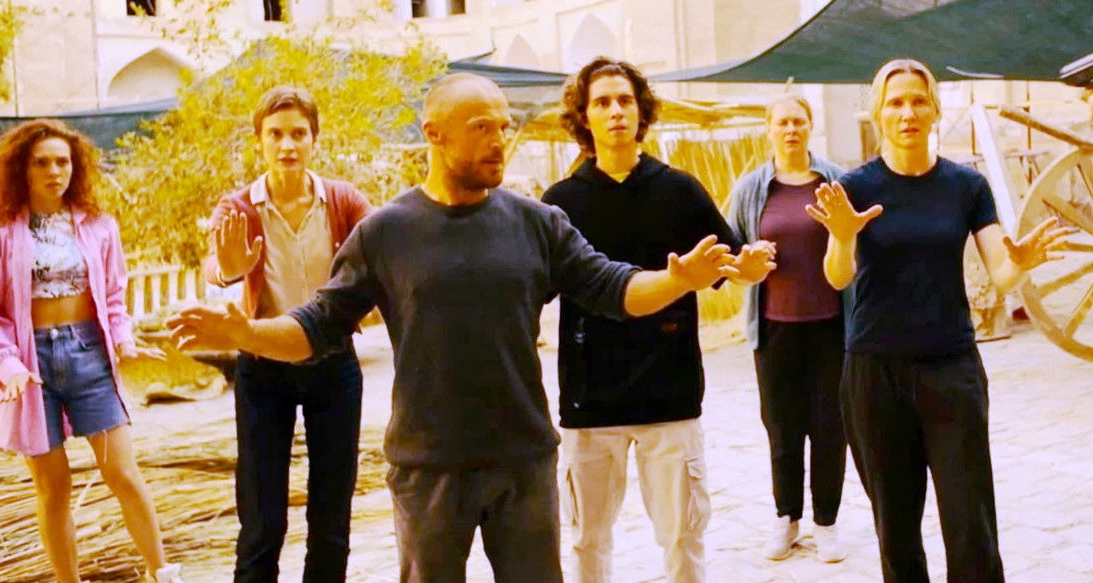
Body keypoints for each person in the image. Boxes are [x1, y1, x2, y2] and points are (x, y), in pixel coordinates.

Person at [168, 73, 775, 583]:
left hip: (524, 463)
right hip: (428, 469)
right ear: (434, 134)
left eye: (504, 126)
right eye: (483, 126)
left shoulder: (538, 223)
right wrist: (247, 334)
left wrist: (676, 281)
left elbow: (614, 288)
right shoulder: (386, 232)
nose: (499, 140)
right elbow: (316, 326)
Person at [808, 59, 1070, 583]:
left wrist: (1020, 262)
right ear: (878, 114)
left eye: (918, 101)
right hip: (875, 374)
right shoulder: (854, 187)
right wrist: (841, 235)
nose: (907, 112)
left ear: (934, 110)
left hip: (952, 370)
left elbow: (1001, 273)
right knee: (896, 529)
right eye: (895, 102)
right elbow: (838, 276)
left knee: (971, 523)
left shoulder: (966, 186)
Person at [541, 57, 774, 583]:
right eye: (602, 102)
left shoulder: (679, 190)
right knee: (585, 543)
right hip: (589, 399)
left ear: (641, 110)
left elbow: (729, 262)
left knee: (683, 541)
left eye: (625, 100)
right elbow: (535, 288)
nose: (615, 111)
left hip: (669, 394)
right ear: (584, 116)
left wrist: (751, 267)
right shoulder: (560, 203)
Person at [0, 119, 186, 583]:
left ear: (76, 166)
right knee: (54, 486)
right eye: (41, 162)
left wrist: (124, 341)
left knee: (122, 472)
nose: (54, 171)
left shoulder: (99, 226)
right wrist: (7, 364)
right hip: (29, 364)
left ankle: (162, 573)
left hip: (89, 355)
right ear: (21, 169)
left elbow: (114, 295)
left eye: (62, 162)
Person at [200, 86, 372, 583]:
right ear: (259, 141)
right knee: (261, 515)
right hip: (263, 366)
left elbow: (379, 256)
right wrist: (229, 269)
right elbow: (215, 266)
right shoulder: (238, 206)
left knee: (332, 512)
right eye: (275, 134)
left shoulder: (343, 200)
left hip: (333, 361)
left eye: (298, 133)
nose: (287, 145)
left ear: (315, 139)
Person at [729, 94, 850, 563]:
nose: (791, 130)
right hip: (774, 329)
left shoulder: (835, 180)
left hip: (831, 326)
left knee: (829, 426)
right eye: (782, 123)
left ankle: (827, 522)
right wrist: (747, 262)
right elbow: (732, 254)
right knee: (781, 426)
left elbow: (854, 243)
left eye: (798, 122)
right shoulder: (751, 189)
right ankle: (787, 518)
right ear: (769, 129)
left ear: (810, 126)